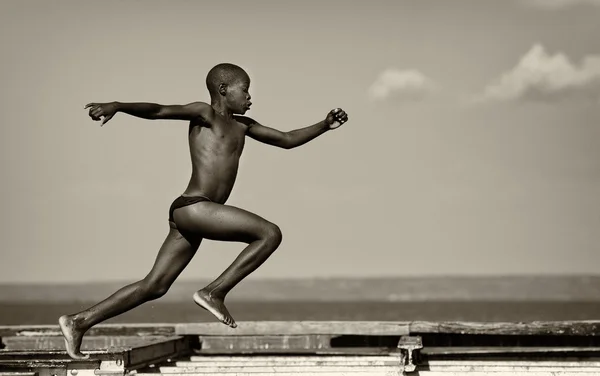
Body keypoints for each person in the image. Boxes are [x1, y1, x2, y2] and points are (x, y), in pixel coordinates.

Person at [58, 63, 349, 359]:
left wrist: (324, 125)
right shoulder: (204, 114)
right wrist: (117, 106)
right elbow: (158, 110)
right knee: (269, 233)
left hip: (193, 214)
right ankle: (214, 293)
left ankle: (79, 321)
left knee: (154, 286)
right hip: (195, 206)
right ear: (224, 90)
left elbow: (287, 140)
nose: (250, 98)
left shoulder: (244, 126)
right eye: (245, 90)